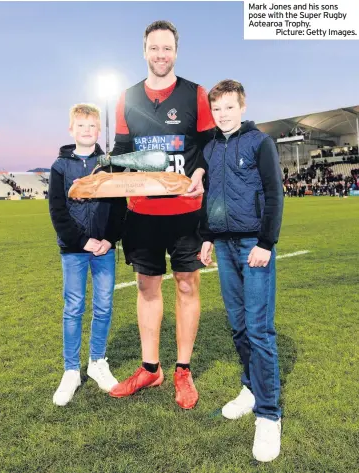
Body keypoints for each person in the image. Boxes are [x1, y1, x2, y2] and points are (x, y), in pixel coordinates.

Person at [108, 20, 215, 409]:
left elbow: (209, 143)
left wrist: (201, 169)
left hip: (187, 211)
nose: (160, 54)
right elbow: (120, 152)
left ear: (176, 51)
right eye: (154, 48)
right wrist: (104, 179)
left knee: (187, 285)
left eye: (167, 48)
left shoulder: (195, 94)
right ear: (144, 51)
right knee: (147, 288)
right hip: (142, 213)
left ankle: (183, 370)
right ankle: (151, 368)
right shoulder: (127, 98)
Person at [200, 80, 284, 462]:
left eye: (229, 107)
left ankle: (269, 414)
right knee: (237, 325)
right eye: (217, 108)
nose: (223, 114)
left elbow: (273, 193)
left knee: (259, 329)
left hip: (254, 246)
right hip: (222, 243)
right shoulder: (210, 147)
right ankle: (250, 388)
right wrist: (206, 236)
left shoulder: (260, 142)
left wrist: (266, 242)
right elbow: (210, 197)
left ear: (242, 105)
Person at [49, 103, 126, 406]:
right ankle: (71, 370)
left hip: (104, 249)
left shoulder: (109, 165)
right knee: (74, 307)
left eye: (91, 126)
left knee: (104, 306)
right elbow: (57, 211)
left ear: (98, 130)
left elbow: (120, 205)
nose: (86, 130)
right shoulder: (59, 166)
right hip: (75, 250)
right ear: (72, 129)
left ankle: (97, 362)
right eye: (80, 125)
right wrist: (83, 241)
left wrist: (108, 239)